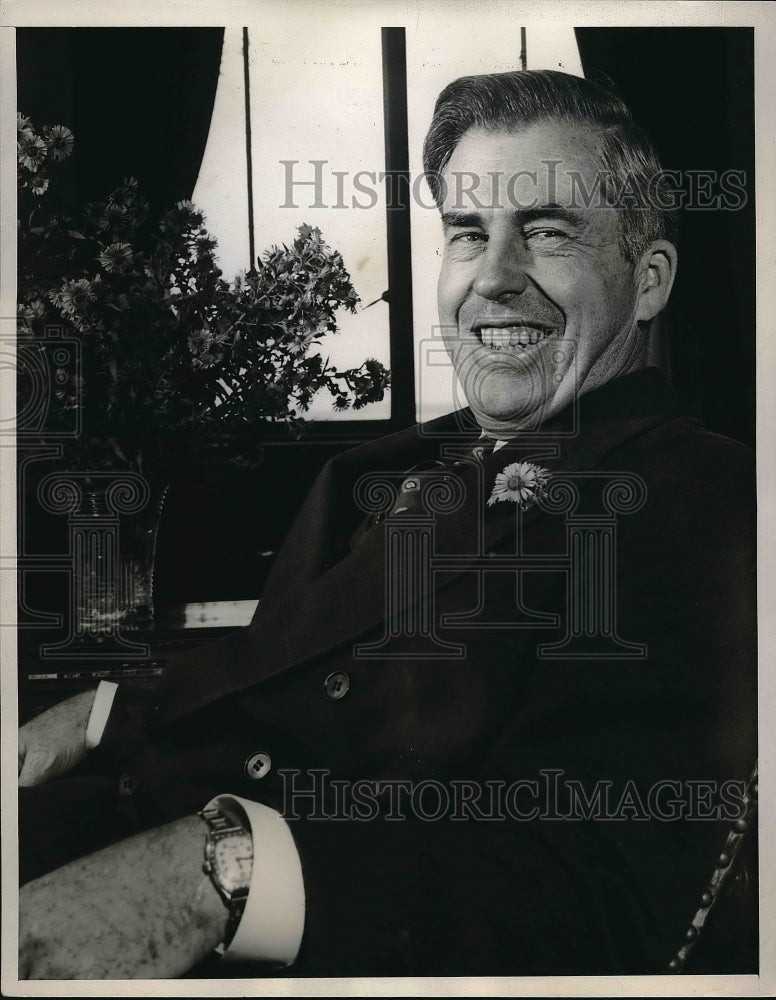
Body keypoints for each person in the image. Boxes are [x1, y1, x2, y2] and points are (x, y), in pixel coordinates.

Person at [17, 69, 757, 979]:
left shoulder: (701, 494)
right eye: (467, 234)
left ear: (648, 282)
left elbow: (593, 889)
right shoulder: (385, 467)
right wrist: (100, 713)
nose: (494, 278)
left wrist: (219, 872)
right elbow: (278, 672)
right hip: (104, 809)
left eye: (548, 232)